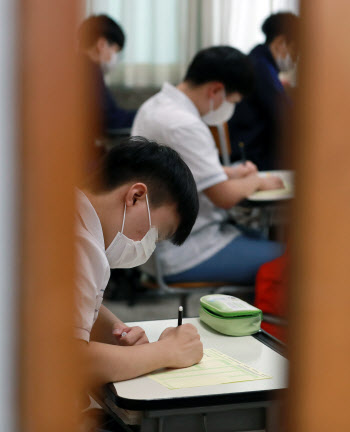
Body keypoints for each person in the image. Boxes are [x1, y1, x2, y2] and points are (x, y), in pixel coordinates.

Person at [132, 46, 285, 286]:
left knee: (265, 242)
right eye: (232, 101)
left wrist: (230, 172)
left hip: (156, 247)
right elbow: (224, 197)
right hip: (187, 251)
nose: (229, 109)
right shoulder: (185, 125)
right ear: (215, 90)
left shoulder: (154, 107)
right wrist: (257, 181)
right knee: (294, 259)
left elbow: (175, 169)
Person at [75, 137, 203, 396]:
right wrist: (166, 352)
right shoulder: (80, 245)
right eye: (157, 234)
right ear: (136, 196)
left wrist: (115, 330)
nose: (149, 245)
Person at [228, 12, 299, 170]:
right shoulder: (261, 68)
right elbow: (285, 115)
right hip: (255, 157)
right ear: (281, 42)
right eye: (295, 50)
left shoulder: (258, 61)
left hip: (251, 150)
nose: (295, 59)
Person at [78, 14, 136, 133]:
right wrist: (144, 114)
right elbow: (110, 119)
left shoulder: (74, 67)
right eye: (115, 50)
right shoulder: (90, 73)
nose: (116, 57)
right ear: (102, 44)